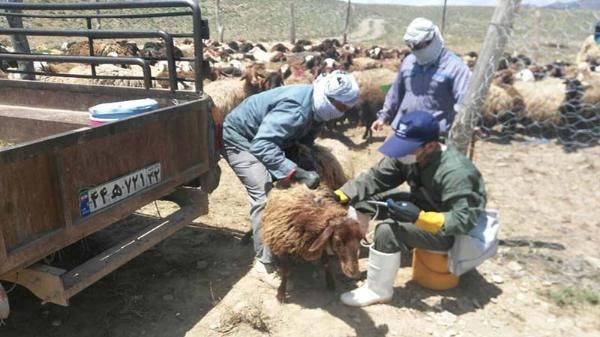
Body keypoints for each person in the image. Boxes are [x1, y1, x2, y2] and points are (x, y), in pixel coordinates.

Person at [332, 110, 486, 307]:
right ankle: (357, 249)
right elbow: (377, 177)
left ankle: (378, 289)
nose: (400, 153)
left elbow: (465, 220)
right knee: (362, 201)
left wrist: (421, 218)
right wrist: (343, 193)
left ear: (430, 146)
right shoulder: (412, 155)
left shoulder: (456, 172)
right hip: (422, 205)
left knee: (388, 230)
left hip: (451, 231)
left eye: (407, 148)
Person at [222, 70, 360, 287]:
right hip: (244, 139)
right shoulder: (296, 110)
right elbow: (262, 145)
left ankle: (298, 237)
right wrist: (295, 172)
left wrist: (304, 166)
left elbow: (302, 140)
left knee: (306, 182)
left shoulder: (319, 110)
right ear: (329, 98)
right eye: (340, 107)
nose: (341, 113)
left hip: (272, 139)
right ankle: (264, 264)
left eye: (345, 109)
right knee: (264, 195)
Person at [371, 17, 471, 134]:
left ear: (434, 38)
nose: (415, 49)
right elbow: (395, 92)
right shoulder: (409, 62)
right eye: (411, 45)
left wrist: (459, 129)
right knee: (387, 152)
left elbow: (464, 104)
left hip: (433, 136)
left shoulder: (456, 68)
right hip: (403, 128)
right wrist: (383, 117)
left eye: (420, 45)